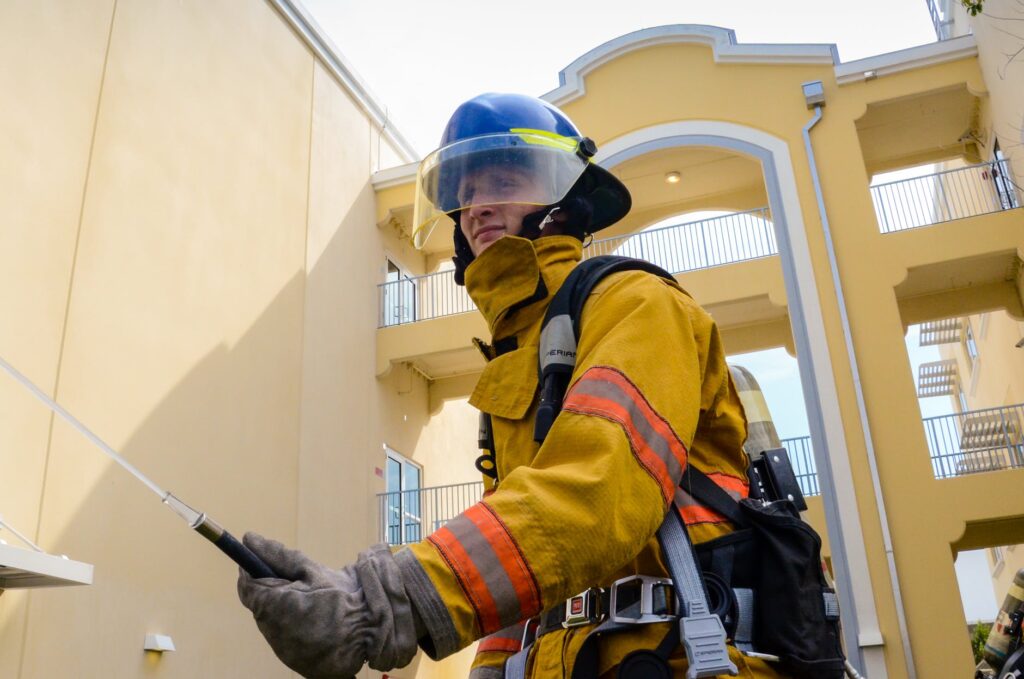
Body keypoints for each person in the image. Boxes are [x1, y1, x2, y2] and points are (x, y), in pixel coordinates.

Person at [237, 93, 786, 678]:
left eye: (502, 180)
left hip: (682, 659)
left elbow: (593, 496)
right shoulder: (519, 355)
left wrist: (385, 600)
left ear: (563, 194)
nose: (476, 207)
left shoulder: (636, 305)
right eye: (465, 193)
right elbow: (523, 566)